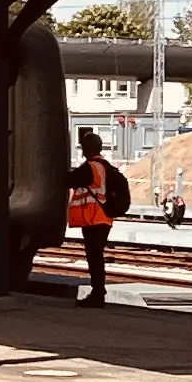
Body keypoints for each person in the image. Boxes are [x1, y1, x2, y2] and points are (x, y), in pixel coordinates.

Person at [69, 127, 129, 304]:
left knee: (94, 256)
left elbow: (67, 180)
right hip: (105, 217)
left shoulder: (90, 167)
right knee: (97, 254)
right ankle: (98, 292)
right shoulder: (107, 167)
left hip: (93, 218)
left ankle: (97, 294)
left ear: (87, 149)